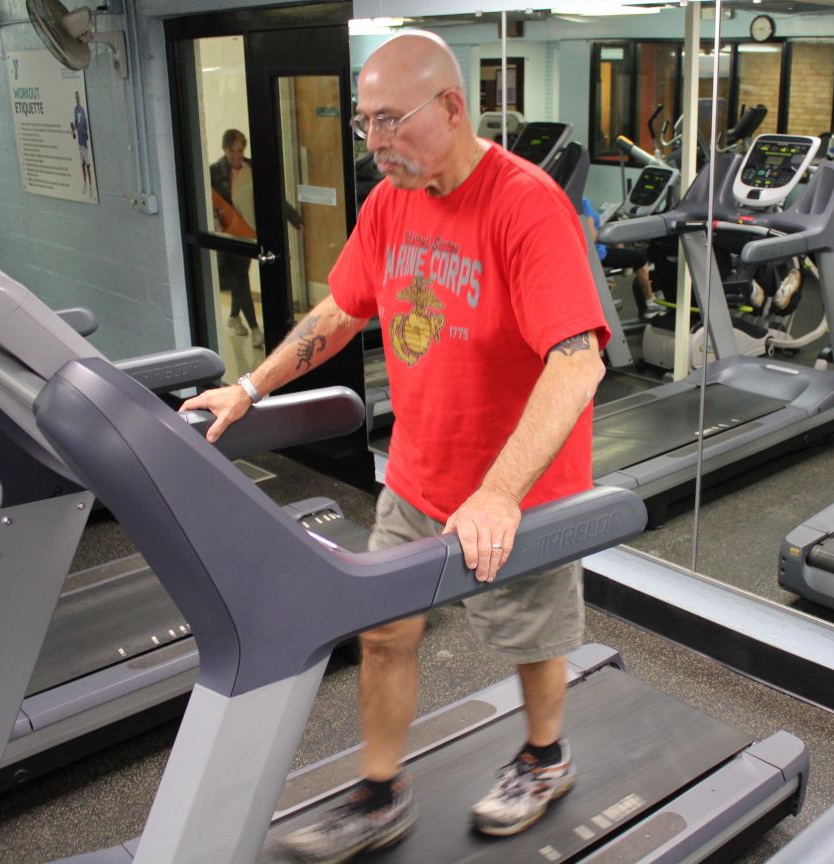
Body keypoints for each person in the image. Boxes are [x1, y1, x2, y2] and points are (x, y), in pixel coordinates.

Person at [180, 30, 608, 863]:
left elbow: (577, 360)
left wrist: (498, 493)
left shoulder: (524, 206)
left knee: (532, 640)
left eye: (390, 122)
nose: (374, 144)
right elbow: (341, 309)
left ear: (451, 108)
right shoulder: (389, 204)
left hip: (515, 492)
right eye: (363, 123)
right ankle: (380, 792)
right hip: (415, 476)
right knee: (383, 633)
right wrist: (251, 386)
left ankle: (546, 755)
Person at [210, 129, 267, 349]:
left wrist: (294, 219)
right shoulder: (215, 172)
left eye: (240, 150)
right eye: (231, 150)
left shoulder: (252, 167)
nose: (236, 155)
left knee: (240, 279)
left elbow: (270, 193)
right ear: (224, 150)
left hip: (252, 232)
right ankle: (255, 329)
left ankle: (234, 316)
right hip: (231, 235)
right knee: (240, 279)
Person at [579, 195, 665, 318]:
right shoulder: (583, 201)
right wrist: (605, 233)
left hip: (585, 254)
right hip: (597, 255)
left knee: (619, 245)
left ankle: (627, 268)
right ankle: (651, 303)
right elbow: (592, 237)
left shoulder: (566, 199)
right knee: (641, 259)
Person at [69, 91, 92, 196]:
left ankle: (91, 186)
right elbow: (75, 126)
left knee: (87, 165)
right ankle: (85, 184)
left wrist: (86, 133)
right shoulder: (75, 109)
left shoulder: (82, 110)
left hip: (84, 142)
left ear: (80, 98)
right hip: (79, 143)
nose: (77, 99)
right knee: (82, 165)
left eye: (78, 97)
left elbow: (85, 124)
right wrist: (73, 130)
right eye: (75, 97)